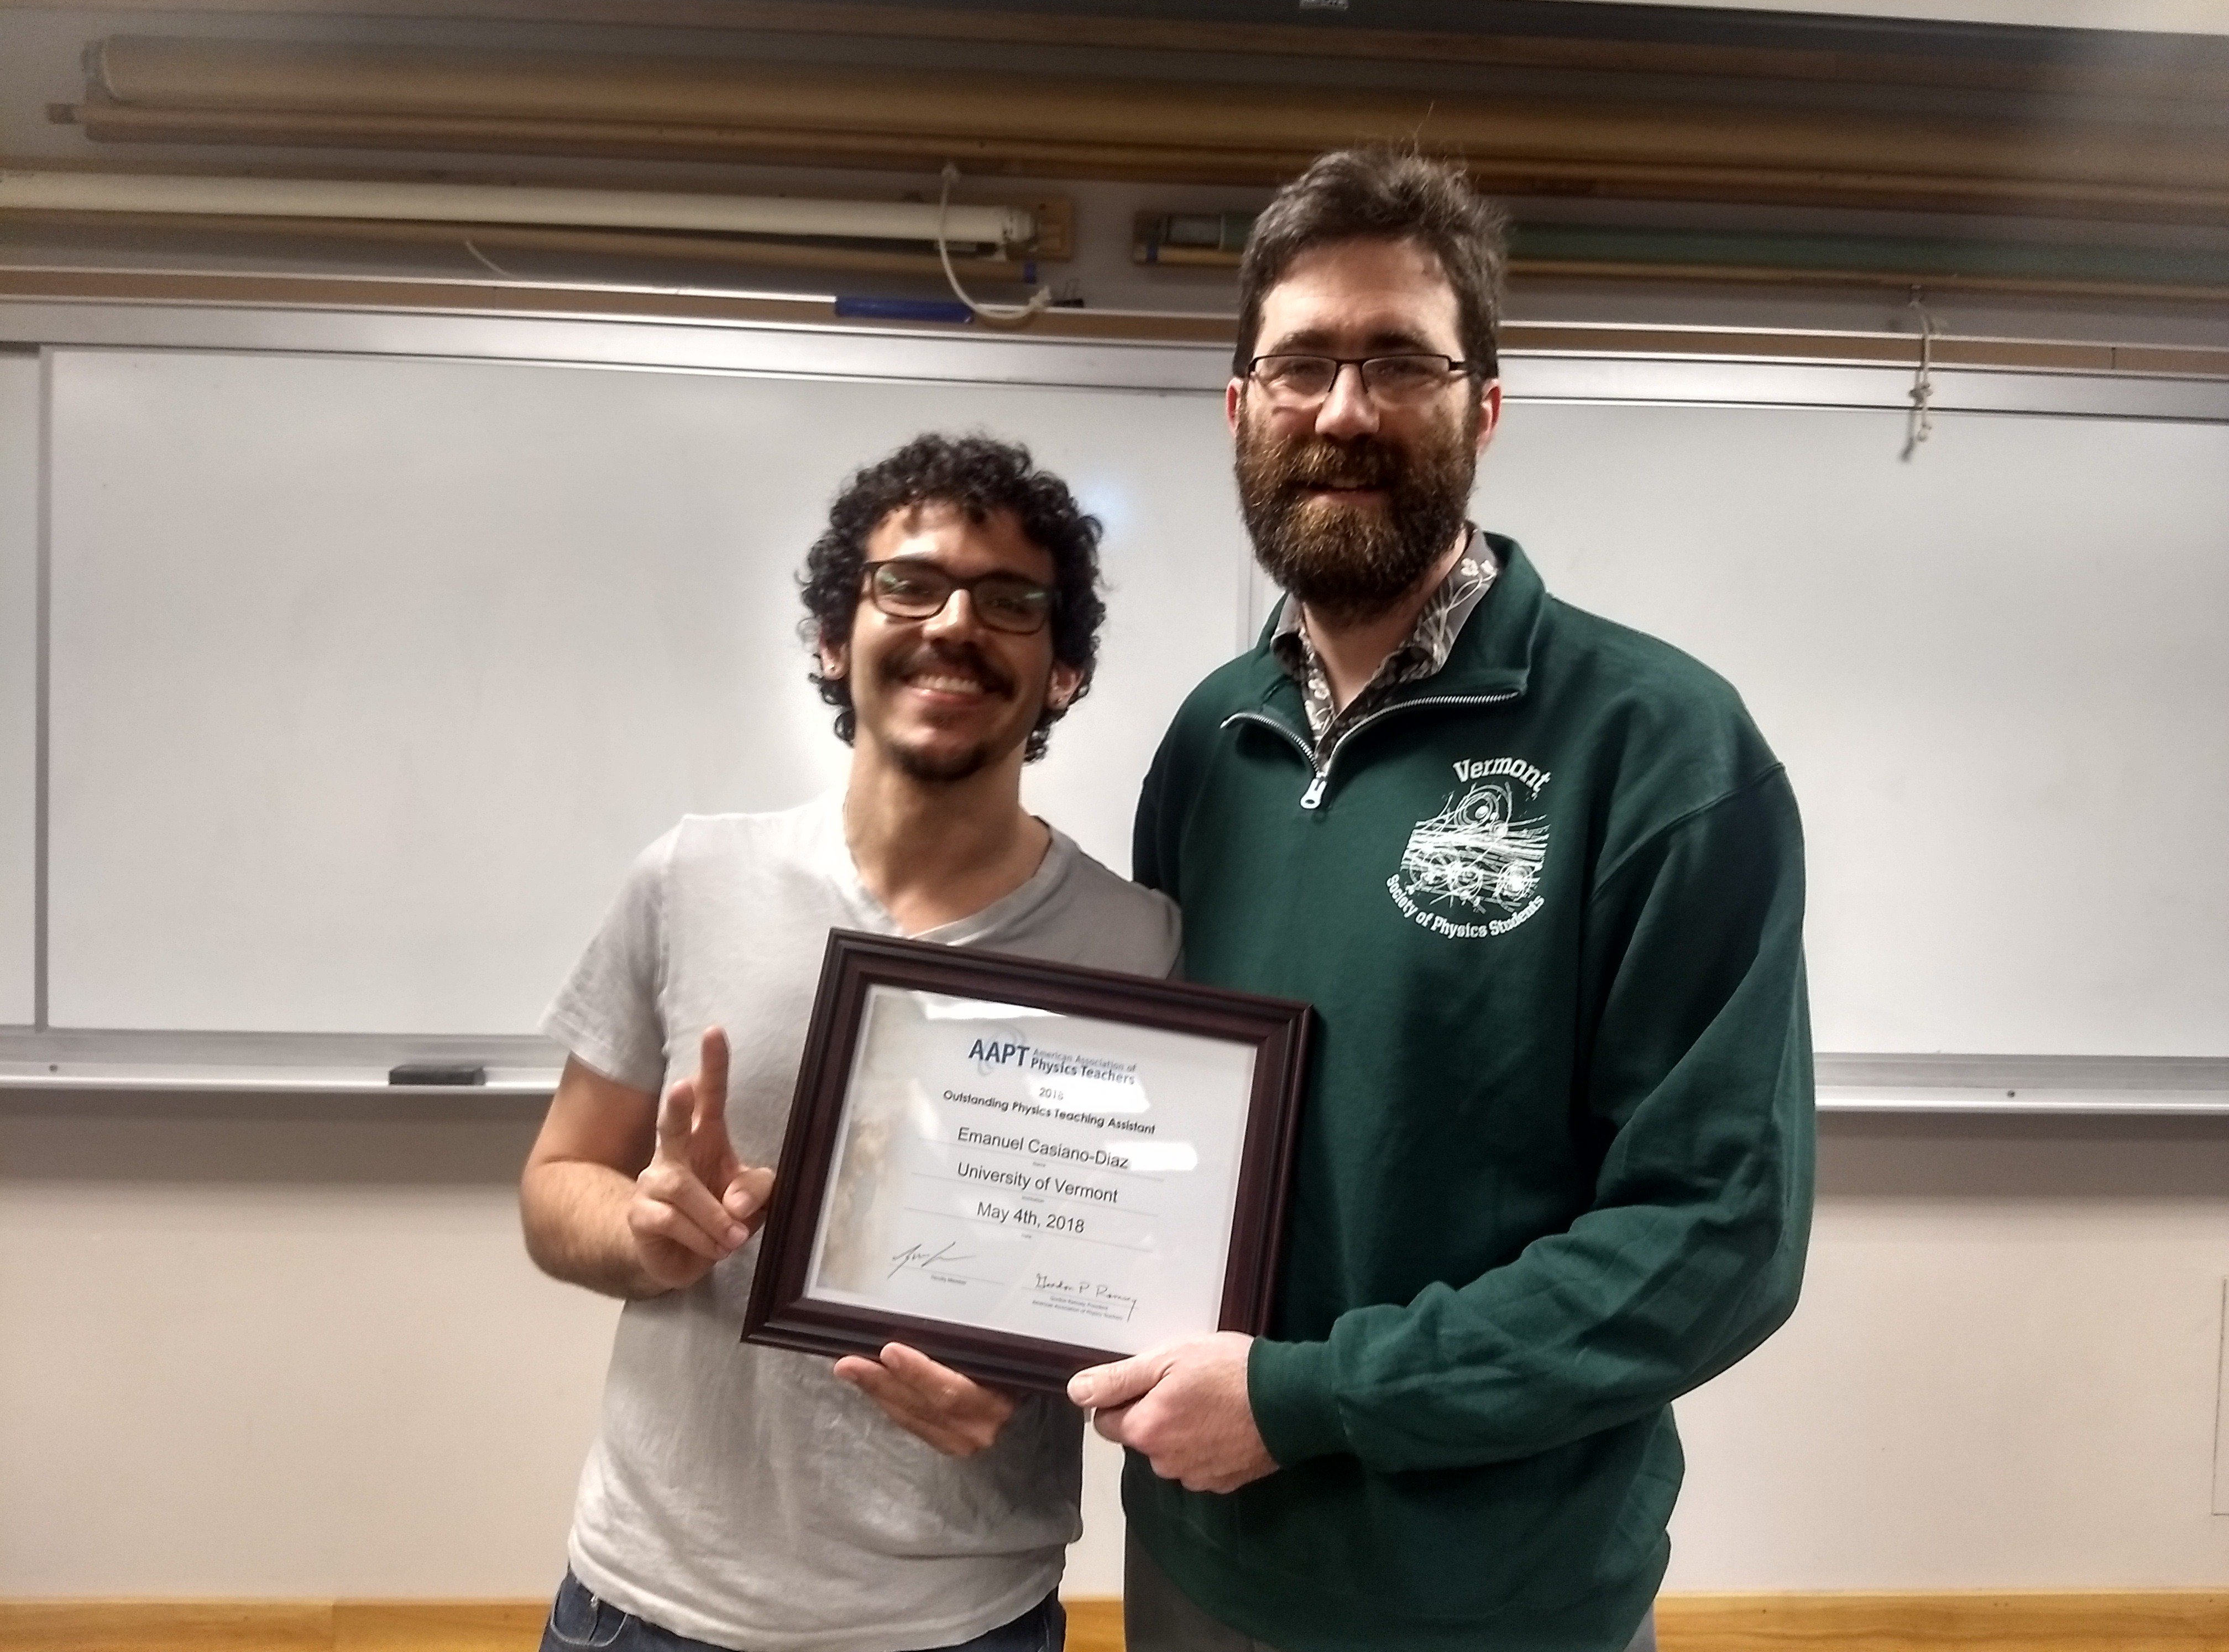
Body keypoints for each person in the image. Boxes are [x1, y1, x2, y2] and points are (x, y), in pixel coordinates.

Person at [1070, 149, 1815, 1652]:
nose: (1343, 409)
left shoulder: (1662, 749)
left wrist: (1310, 1397)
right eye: (1300, 367)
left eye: (1398, 361)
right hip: (1199, 1555)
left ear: (1482, 405)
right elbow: (1169, 1141)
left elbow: (1716, 1233)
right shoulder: (1210, 744)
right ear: (1240, 410)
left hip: (1496, 1596)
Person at [520, 433, 1179, 1652]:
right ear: (835, 638)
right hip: (651, 1603)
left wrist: (1033, 1374)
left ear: (1067, 669)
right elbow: (556, 1186)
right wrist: (646, 1233)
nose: (955, 622)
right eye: (909, 583)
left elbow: (1145, 1289)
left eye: (1011, 600)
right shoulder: (689, 878)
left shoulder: (1138, 950)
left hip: (961, 1620)